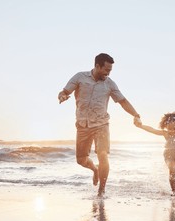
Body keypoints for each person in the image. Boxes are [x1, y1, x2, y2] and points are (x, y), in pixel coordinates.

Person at [58, 53, 141, 196]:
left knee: (103, 155)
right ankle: (95, 170)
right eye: (106, 70)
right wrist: (62, 96)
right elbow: (64, 91)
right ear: (97, 66)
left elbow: (123, 101)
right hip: (82, 125)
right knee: (81, 160)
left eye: (110, 71)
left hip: (101, 124)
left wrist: (136, 115)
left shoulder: (109, 84)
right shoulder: (80, 77)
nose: (108, 73)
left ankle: (101, 191)